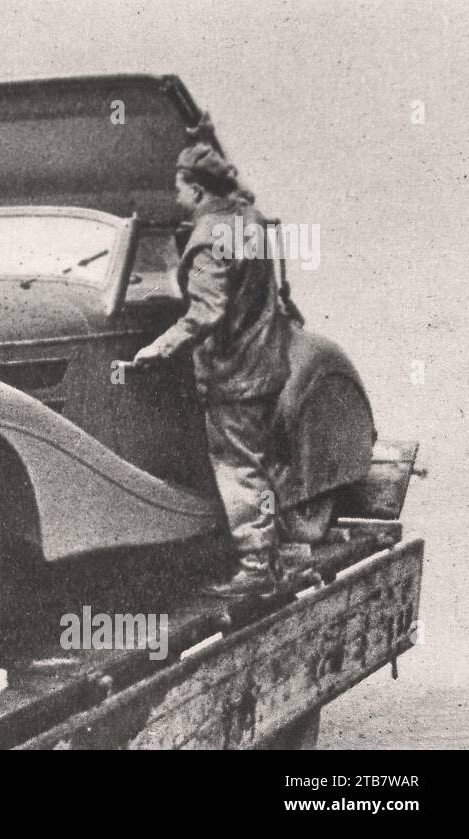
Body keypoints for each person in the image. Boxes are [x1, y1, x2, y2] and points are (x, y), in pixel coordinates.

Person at [132, 142, 291, 598]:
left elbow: (205, 312)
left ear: (198, 190)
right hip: (262, 361)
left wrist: (159, 348)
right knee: (255, 461)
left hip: (233, 371)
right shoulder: (249, 220)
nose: (176, 195)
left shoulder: (211, 238)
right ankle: (268, 554)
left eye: (180, 186)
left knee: (237, 467)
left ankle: (257, 567)